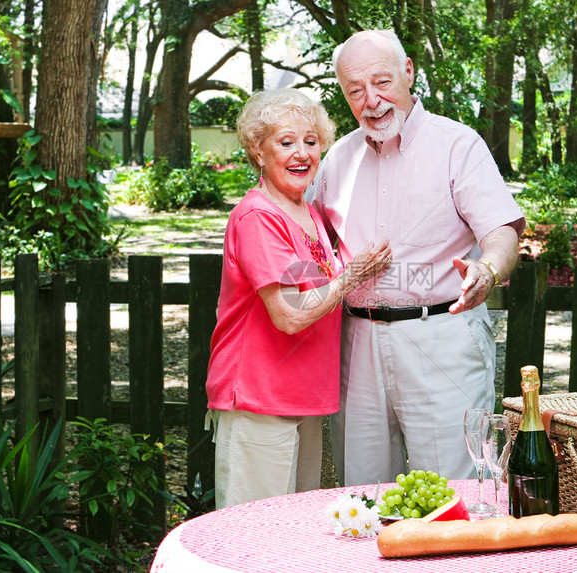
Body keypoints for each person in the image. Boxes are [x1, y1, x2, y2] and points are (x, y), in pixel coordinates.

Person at [306, 30, 525, 487]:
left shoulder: (457, 145)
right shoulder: (337, 159)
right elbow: (304, 236)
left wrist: (487, 269)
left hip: (441, 334)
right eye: (355, 90)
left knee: (455, 493)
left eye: (382, 82)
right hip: (357, 342)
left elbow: (501, 230)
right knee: (362, 493)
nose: (371, 100)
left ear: (408, 72)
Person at [205, 88, 391, 508]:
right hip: (259, 397)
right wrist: (354, 275)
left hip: (304, 398)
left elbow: (311, 286)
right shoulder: (258, 217)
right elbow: (289, 313)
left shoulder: (311, 214)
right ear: (257, 150)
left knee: (296, 531)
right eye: (285, 142)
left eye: (310, 141)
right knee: (254, 535)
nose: (301, 153)